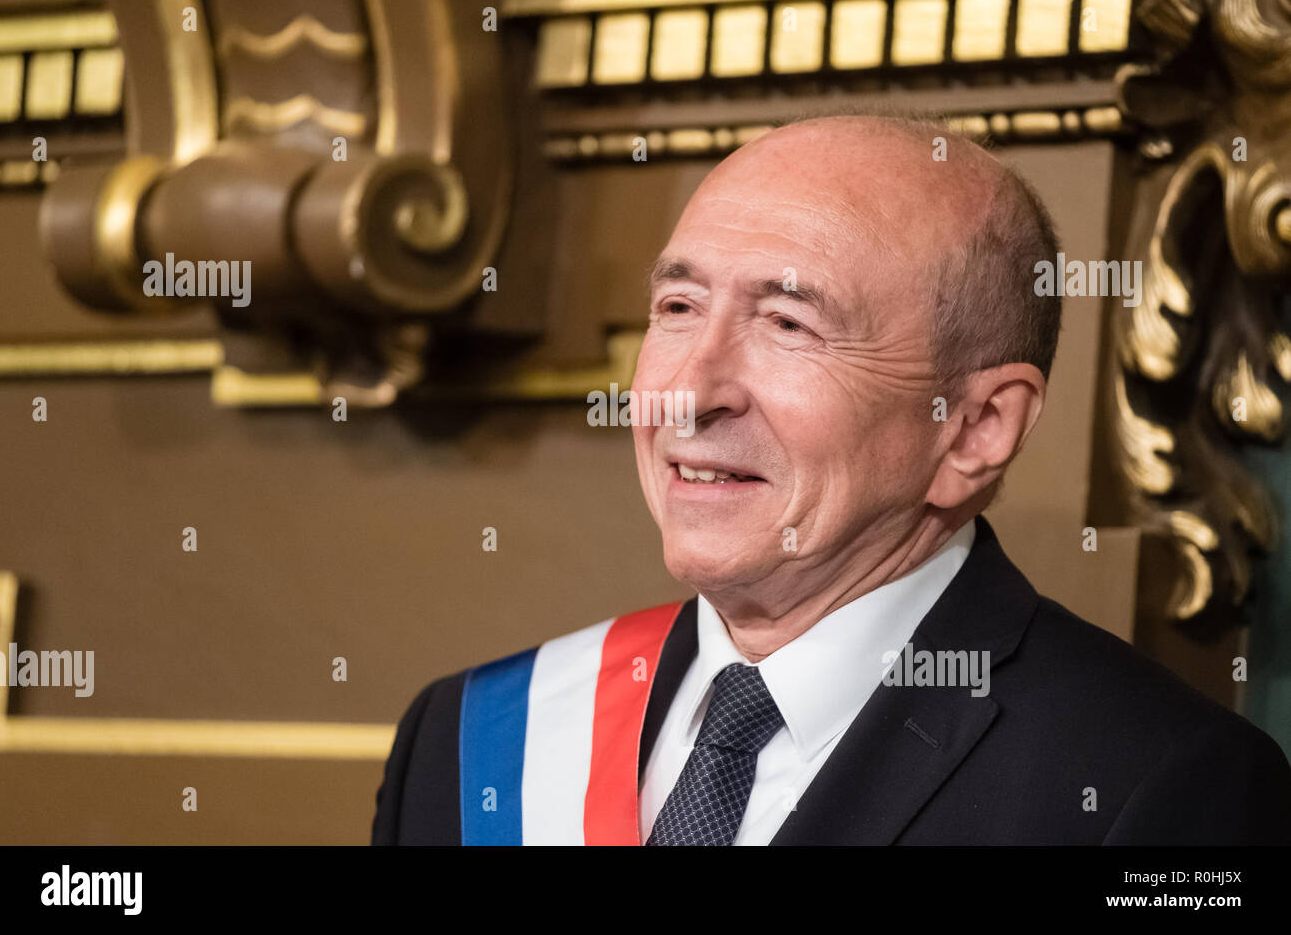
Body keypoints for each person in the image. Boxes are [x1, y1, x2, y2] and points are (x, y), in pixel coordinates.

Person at [372, 115, 1291, 845]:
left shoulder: (1160, 790)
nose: (688, 392)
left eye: (788, 325)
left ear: (975, 427)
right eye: (679, 307)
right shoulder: (470, 739)